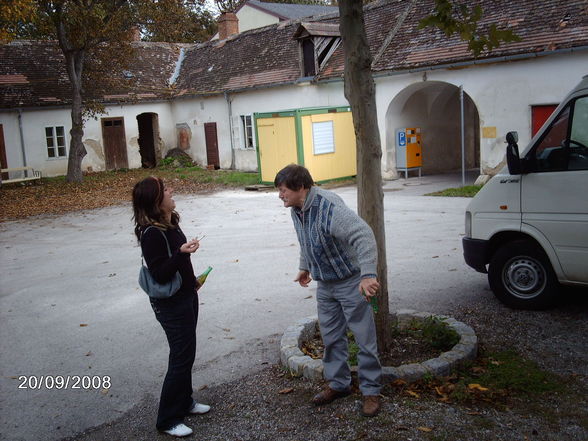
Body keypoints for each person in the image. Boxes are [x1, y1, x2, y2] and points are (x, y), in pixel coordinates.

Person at [274, 164, 382, 417]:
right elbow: (305, 240)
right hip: (326, 285)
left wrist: (367, 275)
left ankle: (371, 391)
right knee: (332, 338)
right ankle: (339, 384)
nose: (280, 195)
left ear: (301, 187)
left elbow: (364, 236)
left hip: (350, 282)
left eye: (282, 190)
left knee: (365, 340)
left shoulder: (329, 206)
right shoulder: (297, 208)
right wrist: (304, 266)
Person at [132, 176, 210, 437]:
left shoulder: (169, 223)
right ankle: (167, 419)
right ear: (156, 200)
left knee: (187, 353)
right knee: (180, 357)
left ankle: (184, 402)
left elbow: (178, 263)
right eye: (166, 190)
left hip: (186, 295)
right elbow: (161, 273)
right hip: (170, 304)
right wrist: (182, 253)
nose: (172, 191)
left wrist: (192, 281)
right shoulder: (151, 233)